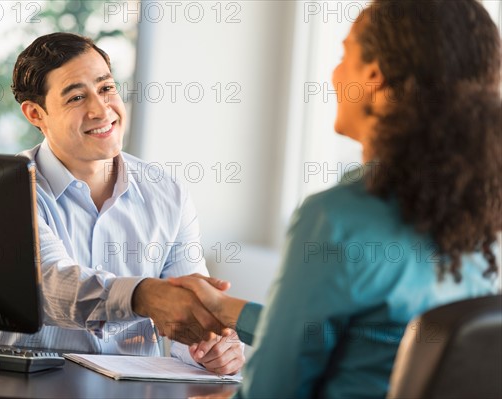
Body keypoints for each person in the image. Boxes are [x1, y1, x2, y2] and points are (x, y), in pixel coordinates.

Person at [171, 0, 501, 396]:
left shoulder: (336, 219)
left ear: (375, 77)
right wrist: (224, 308)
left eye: (346, 55)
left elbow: (271, 391)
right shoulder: (478, 219)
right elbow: (369, 337)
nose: (334, 72)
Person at [0, 32, 244, 374]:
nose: (101, 110)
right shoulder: (7, 187)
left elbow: (186, 317)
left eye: (106, 89)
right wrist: (141, 295)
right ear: (35, 114)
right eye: (76, 97)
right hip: (26, 388)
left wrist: (209, 347)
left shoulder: (167, 192)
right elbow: (50, 285)